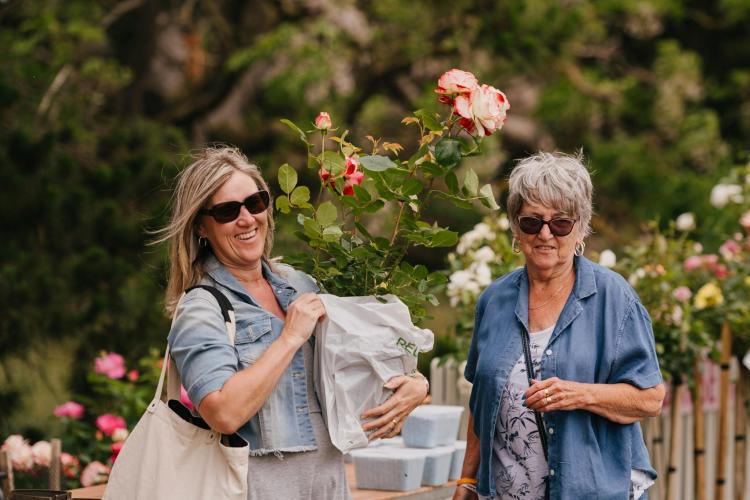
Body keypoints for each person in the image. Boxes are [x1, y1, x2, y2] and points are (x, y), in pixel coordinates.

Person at [158, 146, 429, 499]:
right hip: (259, 487)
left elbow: (357, 364)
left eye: (255, 203)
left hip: (329, 482)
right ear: (201, 227)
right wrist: (289, 337)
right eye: (227, 211)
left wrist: (414, 384)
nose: (247, 219)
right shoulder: (201, 308)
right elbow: (223, 413)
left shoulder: (299, 285)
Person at [453, 152, 665, 500]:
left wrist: (579, 394)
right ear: (516, 228)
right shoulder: (493, 301)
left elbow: (650, 400)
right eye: (532, 222)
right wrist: (467, 481)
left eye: (561, 223)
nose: (545, 234)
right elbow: (482, 402)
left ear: (581, 227)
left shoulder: (614, 297)